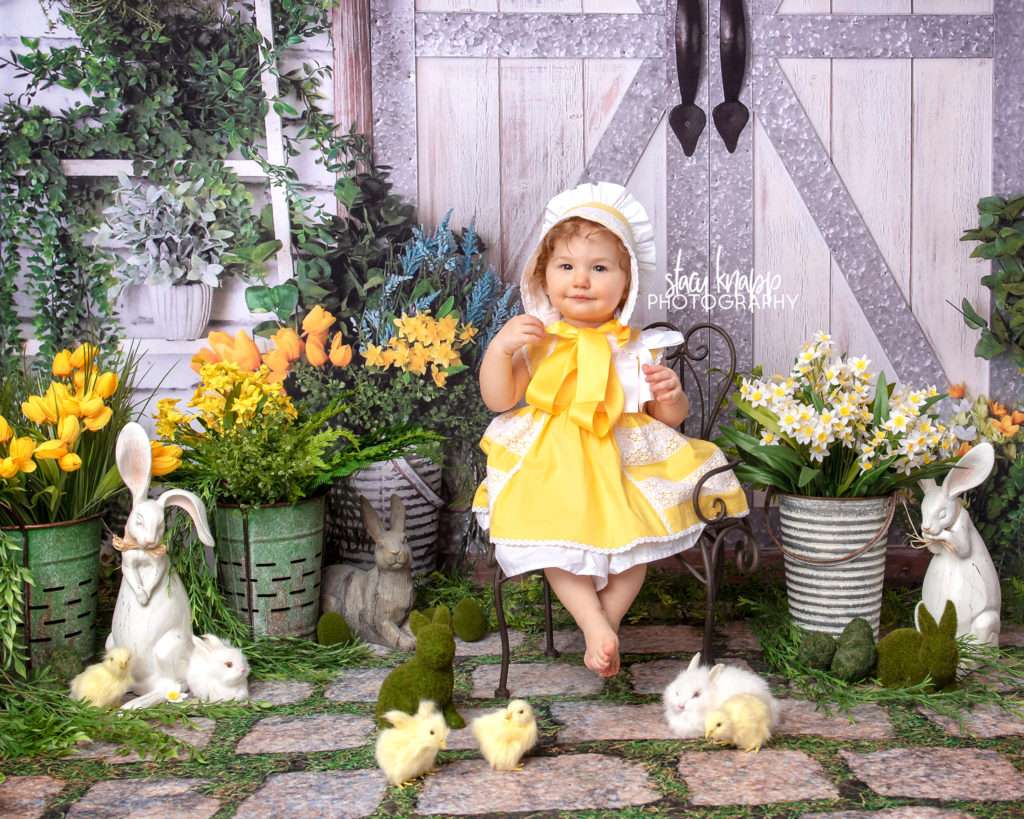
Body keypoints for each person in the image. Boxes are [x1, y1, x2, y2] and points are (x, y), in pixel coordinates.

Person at [472, 182, 749, 678]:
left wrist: (670, 395)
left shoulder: (640, 346)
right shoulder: (536, 340)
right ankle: (594, 624)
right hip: (552, 466)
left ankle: (607, 624)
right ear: (543, 275)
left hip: (623, 461)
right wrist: (499, 350)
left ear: (626, 282)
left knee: (634, 543)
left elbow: (670, 419)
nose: (581, 280)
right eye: (566, 267)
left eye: (599, 268)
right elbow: (499, 399)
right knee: (553, 538)